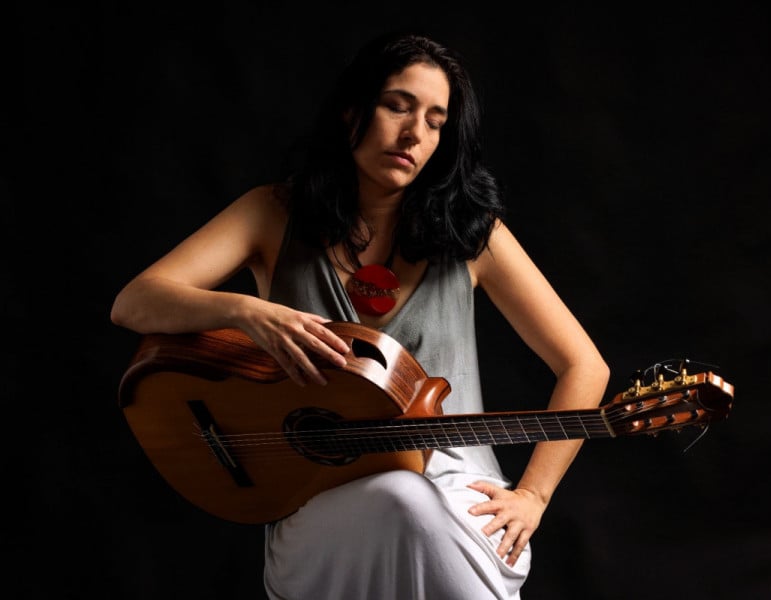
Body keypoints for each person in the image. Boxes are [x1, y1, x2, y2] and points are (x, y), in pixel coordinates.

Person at [111, 31, 610, 600]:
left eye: (435, 122)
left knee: (413, 501)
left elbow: (584, 365)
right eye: (398, 106)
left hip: (462, 500)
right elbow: (134, 302)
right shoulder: (272, 215)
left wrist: (533, 495)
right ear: (352, 111)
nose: (414, 134)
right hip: (318, 501)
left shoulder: (476, 237)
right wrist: (246, 312)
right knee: (400, 497)